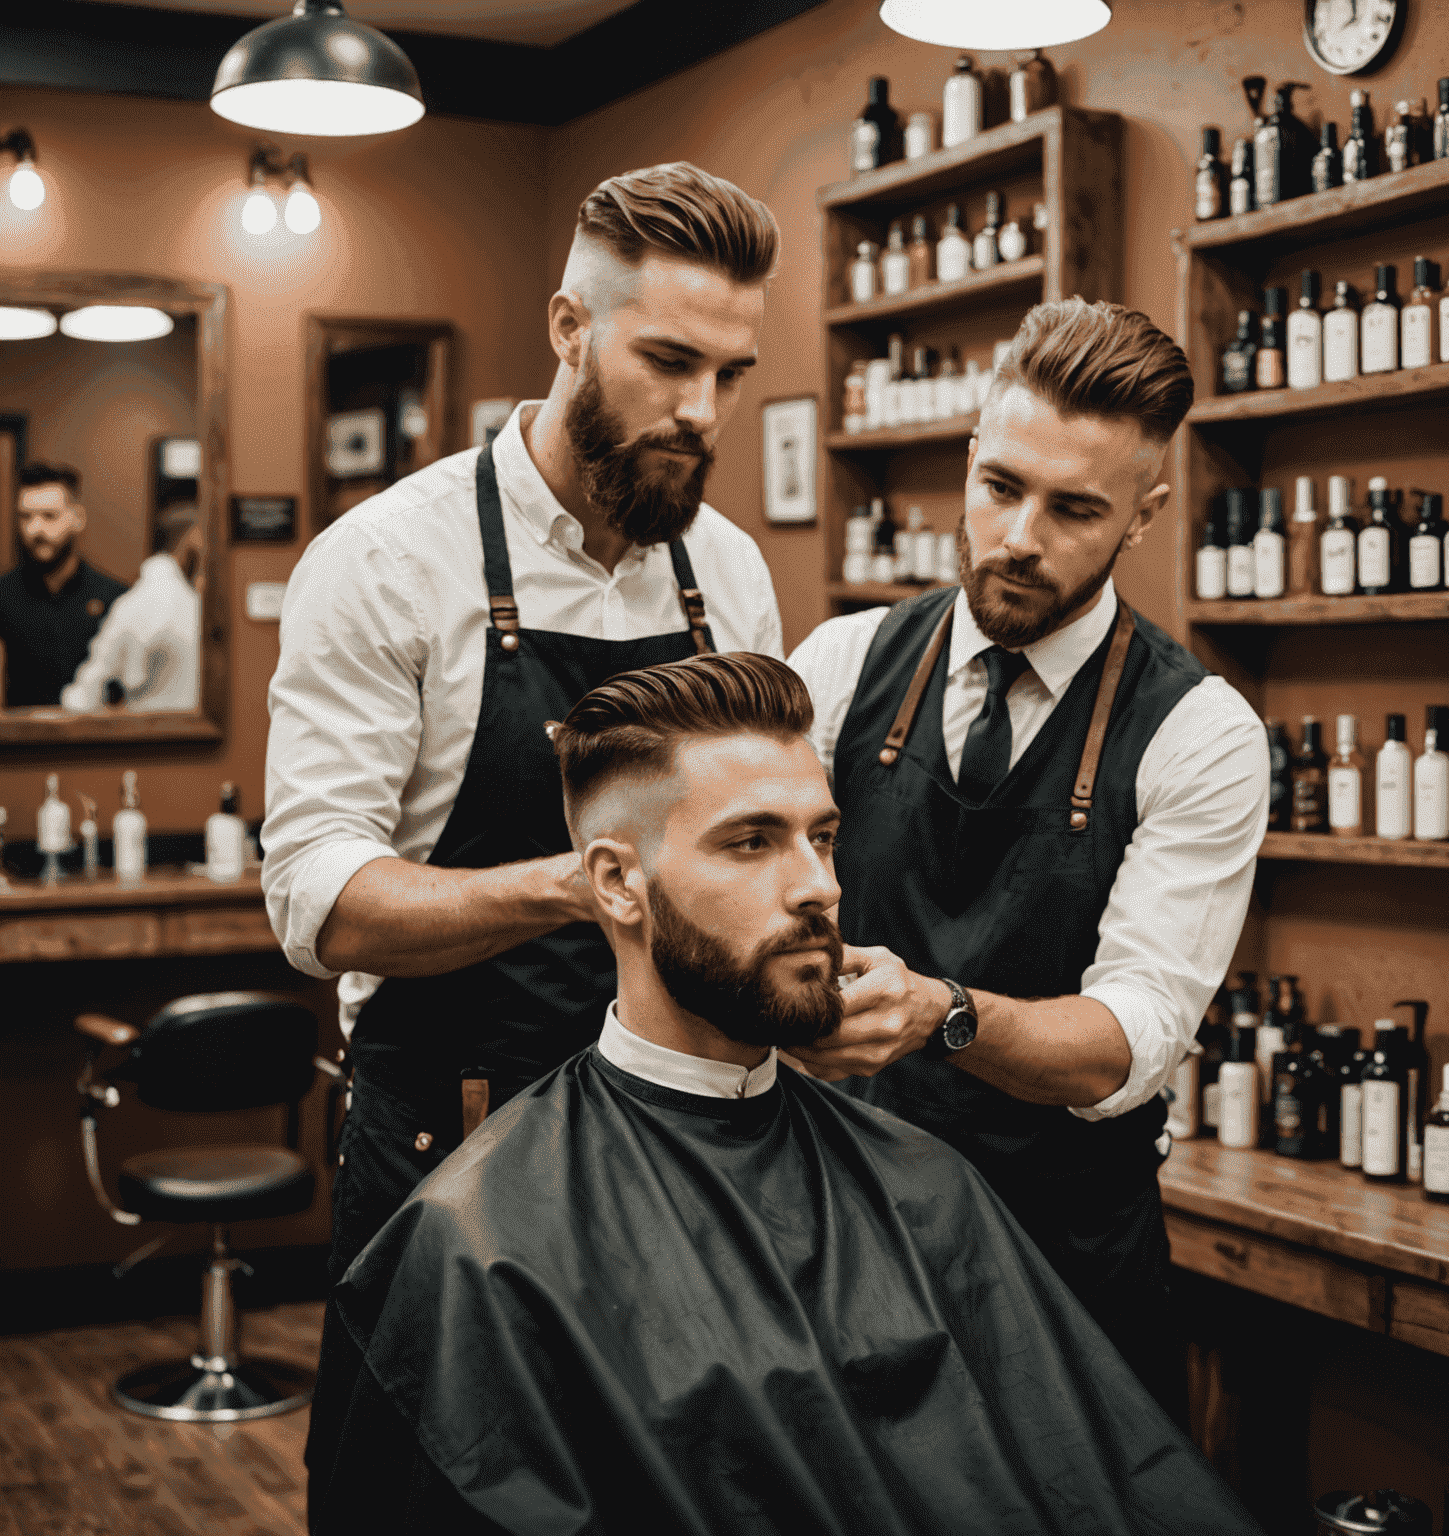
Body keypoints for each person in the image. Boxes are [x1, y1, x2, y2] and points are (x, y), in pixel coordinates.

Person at [310, 651, 1263, 1536]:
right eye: (751, 843)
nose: (818, 887)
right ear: (617, 884)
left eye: (823, 838)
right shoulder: (481, 1245)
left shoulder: (922, 1185)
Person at [259, 162, 784, 1516]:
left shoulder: (724, 573)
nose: (699, 410)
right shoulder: (389, 562)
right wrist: (578, 884)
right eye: (668, 359)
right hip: (455, 1139)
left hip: (680, 1150)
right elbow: (320, 903)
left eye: (731, 372)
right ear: (567, 328)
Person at [786, 298, 1270, 1414]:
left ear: (1143, 516)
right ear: (968, 462)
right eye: (1000, 487)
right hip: (844, 1234)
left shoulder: (1202, 733)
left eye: (1074, 509)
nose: (1018, 537)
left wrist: (941, 1012)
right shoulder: (845, 662)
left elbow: (1135, 1038)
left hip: (1061, 1269)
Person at [0, 462, 128, 706]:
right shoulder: (4, 596)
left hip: (96, 740)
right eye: (25, 516)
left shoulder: (115, 599)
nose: (35, 529)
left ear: (78, 518)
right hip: (22, 741)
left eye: (49, 516)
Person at [60, 509, 203, 713]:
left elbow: (88, 690)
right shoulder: (186, 603)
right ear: (190, 542)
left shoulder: (132, 603)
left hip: (147, 729)